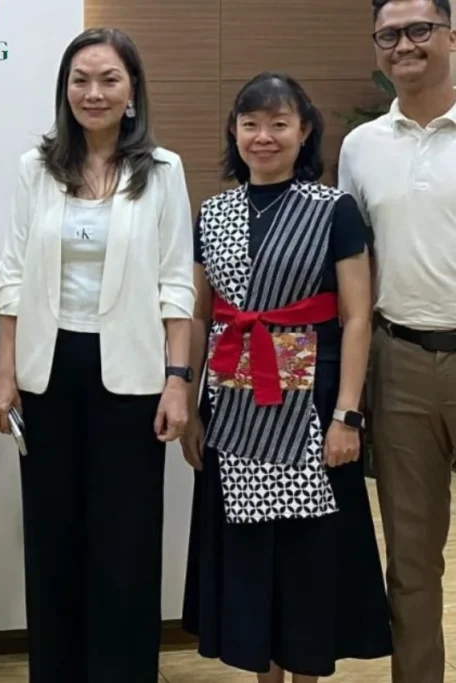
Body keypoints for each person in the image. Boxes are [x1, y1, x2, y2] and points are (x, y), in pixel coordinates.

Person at [0, 27, 194, 682]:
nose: (93, 92)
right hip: (49, 370)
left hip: (131, 373)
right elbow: (13, 274)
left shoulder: (162, 171)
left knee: (125, 542)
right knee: (53, 537)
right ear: (64, 90)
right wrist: (4, 371)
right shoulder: (35, 169)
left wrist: (177, 377)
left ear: (132, 92)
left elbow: (175, 283)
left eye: (109, 79)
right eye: (81, 79)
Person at [180, 71, 393, 682]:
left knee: (308, 555)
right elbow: (200, 314)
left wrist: (347, 415)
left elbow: (356, 317)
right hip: (232, 406)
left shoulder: (334, 209)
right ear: (234, 131)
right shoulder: (214, 211)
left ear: (304, 132)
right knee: (248, 556)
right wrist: (193, 407)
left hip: (313, 403)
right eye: (251, 124)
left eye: (279, 124)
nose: (263, 136)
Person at [336, 1, 456, 681]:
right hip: (401, 360)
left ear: (451, 36)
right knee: (411, 559)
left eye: (419, 30)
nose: (403, 44)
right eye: (389, 34)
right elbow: (355, 265)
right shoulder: (361, 147)